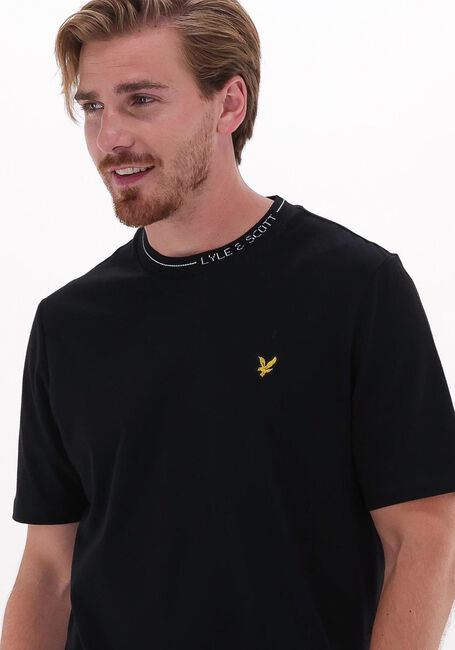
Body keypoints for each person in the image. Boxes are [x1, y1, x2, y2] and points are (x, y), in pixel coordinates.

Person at [2, 1, 455, 649]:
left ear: (229, 104)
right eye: (94, 107)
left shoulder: (355, 288)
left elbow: (426, 534)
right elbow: (48, 572)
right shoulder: (67, 323)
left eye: (141, 100)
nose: (109, 138)